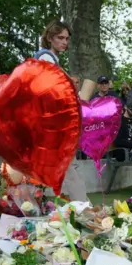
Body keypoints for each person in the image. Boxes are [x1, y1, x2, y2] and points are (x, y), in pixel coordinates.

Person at [36, 19, 89, 202]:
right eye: (60, 38)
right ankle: (82, 206)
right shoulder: (45, 58)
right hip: (52, 122)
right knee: (68, 164)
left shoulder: (51, 59)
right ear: (50, 38)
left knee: (65, 165)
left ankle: (80, 205)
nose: (64, 42)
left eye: (67, 38)